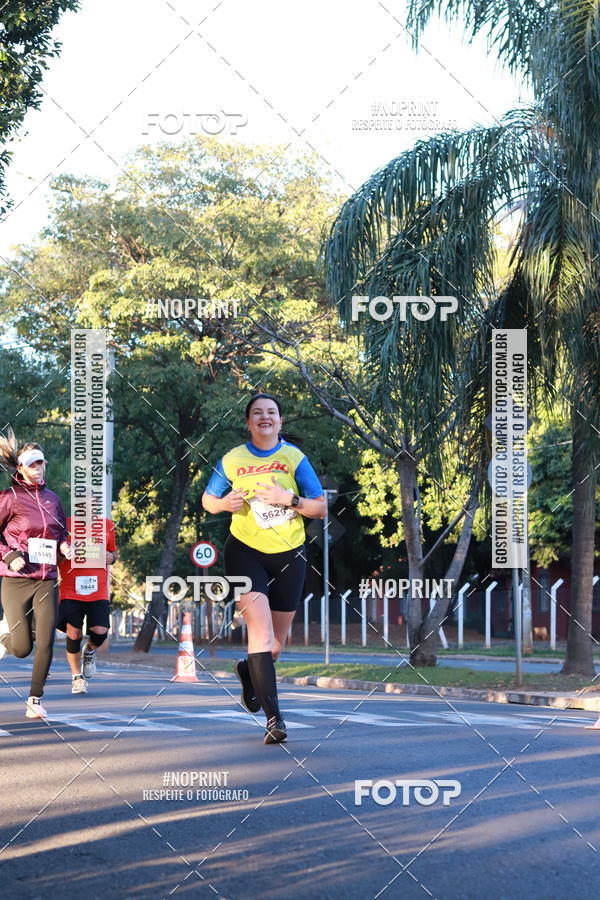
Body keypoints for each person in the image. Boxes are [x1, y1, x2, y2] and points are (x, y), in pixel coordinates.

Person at [202, 393, 326, 744]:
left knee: (274, 647)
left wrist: (290, 500)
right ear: (248, 422)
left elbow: (320, 507)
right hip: (244, 551)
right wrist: (224, 503)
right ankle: (275, 720)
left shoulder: (293, 458)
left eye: (271, 412)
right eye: (257, 413)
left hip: (290, 552)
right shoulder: (232, 459)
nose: (265, 417)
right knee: (260, 633)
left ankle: (247, 671)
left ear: (280, 421)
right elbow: (208, 500)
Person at [0, 429, 71, 718]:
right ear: (21, 468)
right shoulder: (9, 498)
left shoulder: (53, 499)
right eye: (32, 464)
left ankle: (35, 699)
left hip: (46, 579)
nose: (38, 469)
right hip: (16, 580)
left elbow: (61, 532)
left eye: (41, 463)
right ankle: (5, 636)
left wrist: (66, 546)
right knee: (21, 649)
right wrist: (8, 554)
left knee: (46, 640)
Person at [57, 517, 117, 694]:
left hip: (97, 588)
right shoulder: (64, 523)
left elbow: (113, 553)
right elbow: (56, 556)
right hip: (70, 587)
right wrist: (63, 552)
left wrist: (111, 557)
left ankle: (89, 650)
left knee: (100, 632)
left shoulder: (107, 524)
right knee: (73, 632)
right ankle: (77, 678)